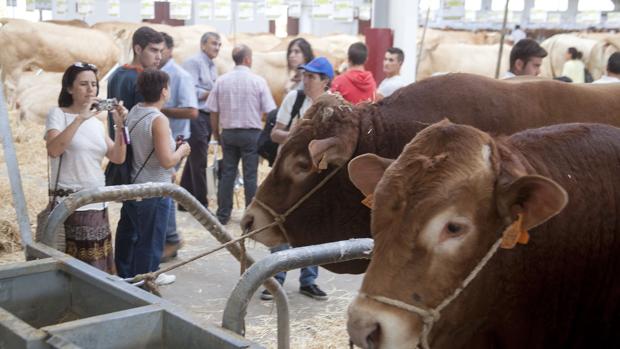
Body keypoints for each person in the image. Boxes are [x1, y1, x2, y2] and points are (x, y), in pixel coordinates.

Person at [261, 56, 335, 301]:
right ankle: (275, 279)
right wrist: (295, 135)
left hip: (315, 176)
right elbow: (275, 134)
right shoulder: (294, 98)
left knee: (311, 227)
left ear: (325, 81)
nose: (305, 79)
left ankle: (308, 280)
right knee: (280, 224)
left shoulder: (334, 106)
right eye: (304, 75)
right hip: (288, 173)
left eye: (311, 76)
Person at [45, 62, 128, 274]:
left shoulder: (97, 123)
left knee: (100, 265)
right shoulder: (58, 114)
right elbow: (54, 149)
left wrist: (120, 126)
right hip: (70, 204)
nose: (91, 89)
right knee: (79, 268)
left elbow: (118, 157)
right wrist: (80, 118)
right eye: (83, 84)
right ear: (70, 88)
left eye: (94, 84)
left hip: (97, 204)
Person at [115, 69, 191, 284]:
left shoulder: (135, 112)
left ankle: (126, 277)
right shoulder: (158, 119)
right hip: (155, 188)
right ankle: (146, 280)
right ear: (164, 91)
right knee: (150, 240)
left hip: (133, 185)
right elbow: (166, 160)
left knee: (130, 234)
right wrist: (182, 150)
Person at [206, 44, 276, 225]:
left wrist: (216, 134)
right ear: (247, 59)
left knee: (227, 173)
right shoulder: (258, 81)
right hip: (251, 134)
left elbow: (213, 111)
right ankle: (250, 217)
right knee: (250, 175)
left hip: (228, 133)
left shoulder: (222, 81)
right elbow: (270, 111)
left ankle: (222, 215)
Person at [159, 32, 199, 262]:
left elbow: (192, 111)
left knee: (166, 189)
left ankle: (171, 238)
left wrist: (158, 109)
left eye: (160, 50)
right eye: (153, 50)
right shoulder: (156, 74)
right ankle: (167, 237)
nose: (157, 55)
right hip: (161, 141)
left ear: (170, 51)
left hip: (176, 141)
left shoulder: (180, 76)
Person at [179, 32, 222, 210]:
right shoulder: (193, 62)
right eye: (214, 44)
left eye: (219, 45)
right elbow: (189, 90)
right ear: (203, 45)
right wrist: (212, 92)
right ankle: (201, 205)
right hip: (195, 115)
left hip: (207, 115)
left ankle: (184, 202)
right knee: (200, 161)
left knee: (193, 161)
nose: (217, 48)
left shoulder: (213, 66)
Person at [107, 26, 164, 138]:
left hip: (117, 145)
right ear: (138, 49)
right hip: (137, 149)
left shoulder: (116, 74)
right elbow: (148, 122)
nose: (159, 57)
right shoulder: (145, 80)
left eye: (161, 51)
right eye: (153, 50)